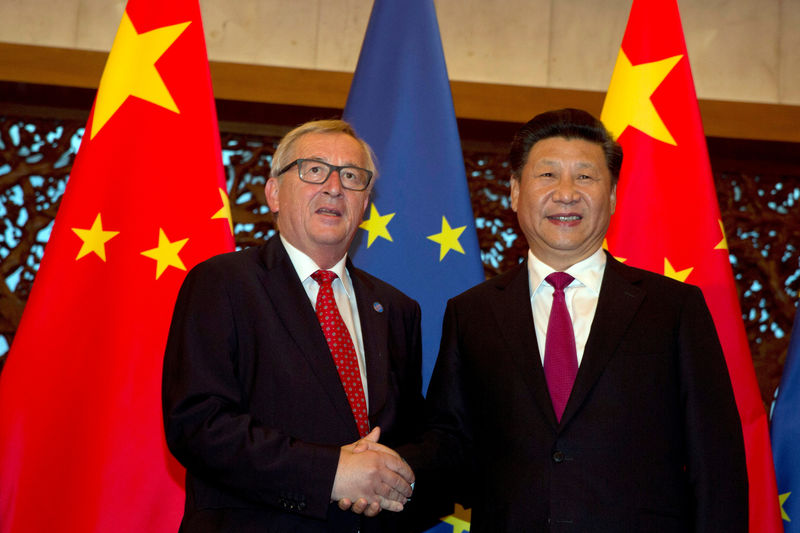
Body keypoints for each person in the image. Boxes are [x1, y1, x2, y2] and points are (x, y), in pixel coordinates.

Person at [400, 108, 748, 532]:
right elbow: (450, 444)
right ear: (513, 191)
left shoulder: (673, 307)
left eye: (585, 176)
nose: (566, 193)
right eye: (547, 175)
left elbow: (716, 460)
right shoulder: (472, 312)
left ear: (614, 194)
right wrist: (390, 475)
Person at [162, 119, 423, 532]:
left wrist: (389, 481)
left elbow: (406, 438)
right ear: (273, 193)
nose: (334, 188)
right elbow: (199, 424)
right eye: (314, 170)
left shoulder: (395, 308)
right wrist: (331, 473)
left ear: (366, 201)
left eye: (352, 177)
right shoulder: (223, 282)